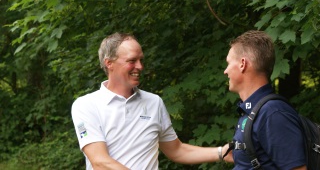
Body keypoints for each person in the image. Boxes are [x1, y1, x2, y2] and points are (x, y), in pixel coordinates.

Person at [71, 32, 228, 170]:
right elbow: (100, 162)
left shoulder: (154, 102)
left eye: (141, 60)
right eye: (132, 60)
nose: (140, 66)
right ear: (109, 63)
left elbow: (177, 150)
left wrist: (222, 152)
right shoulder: (86, 105)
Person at [223, 30, 306, 169]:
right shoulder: (253, 111)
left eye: (228, 63)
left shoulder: (272, 113)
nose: (225, 71)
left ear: (243, 64)